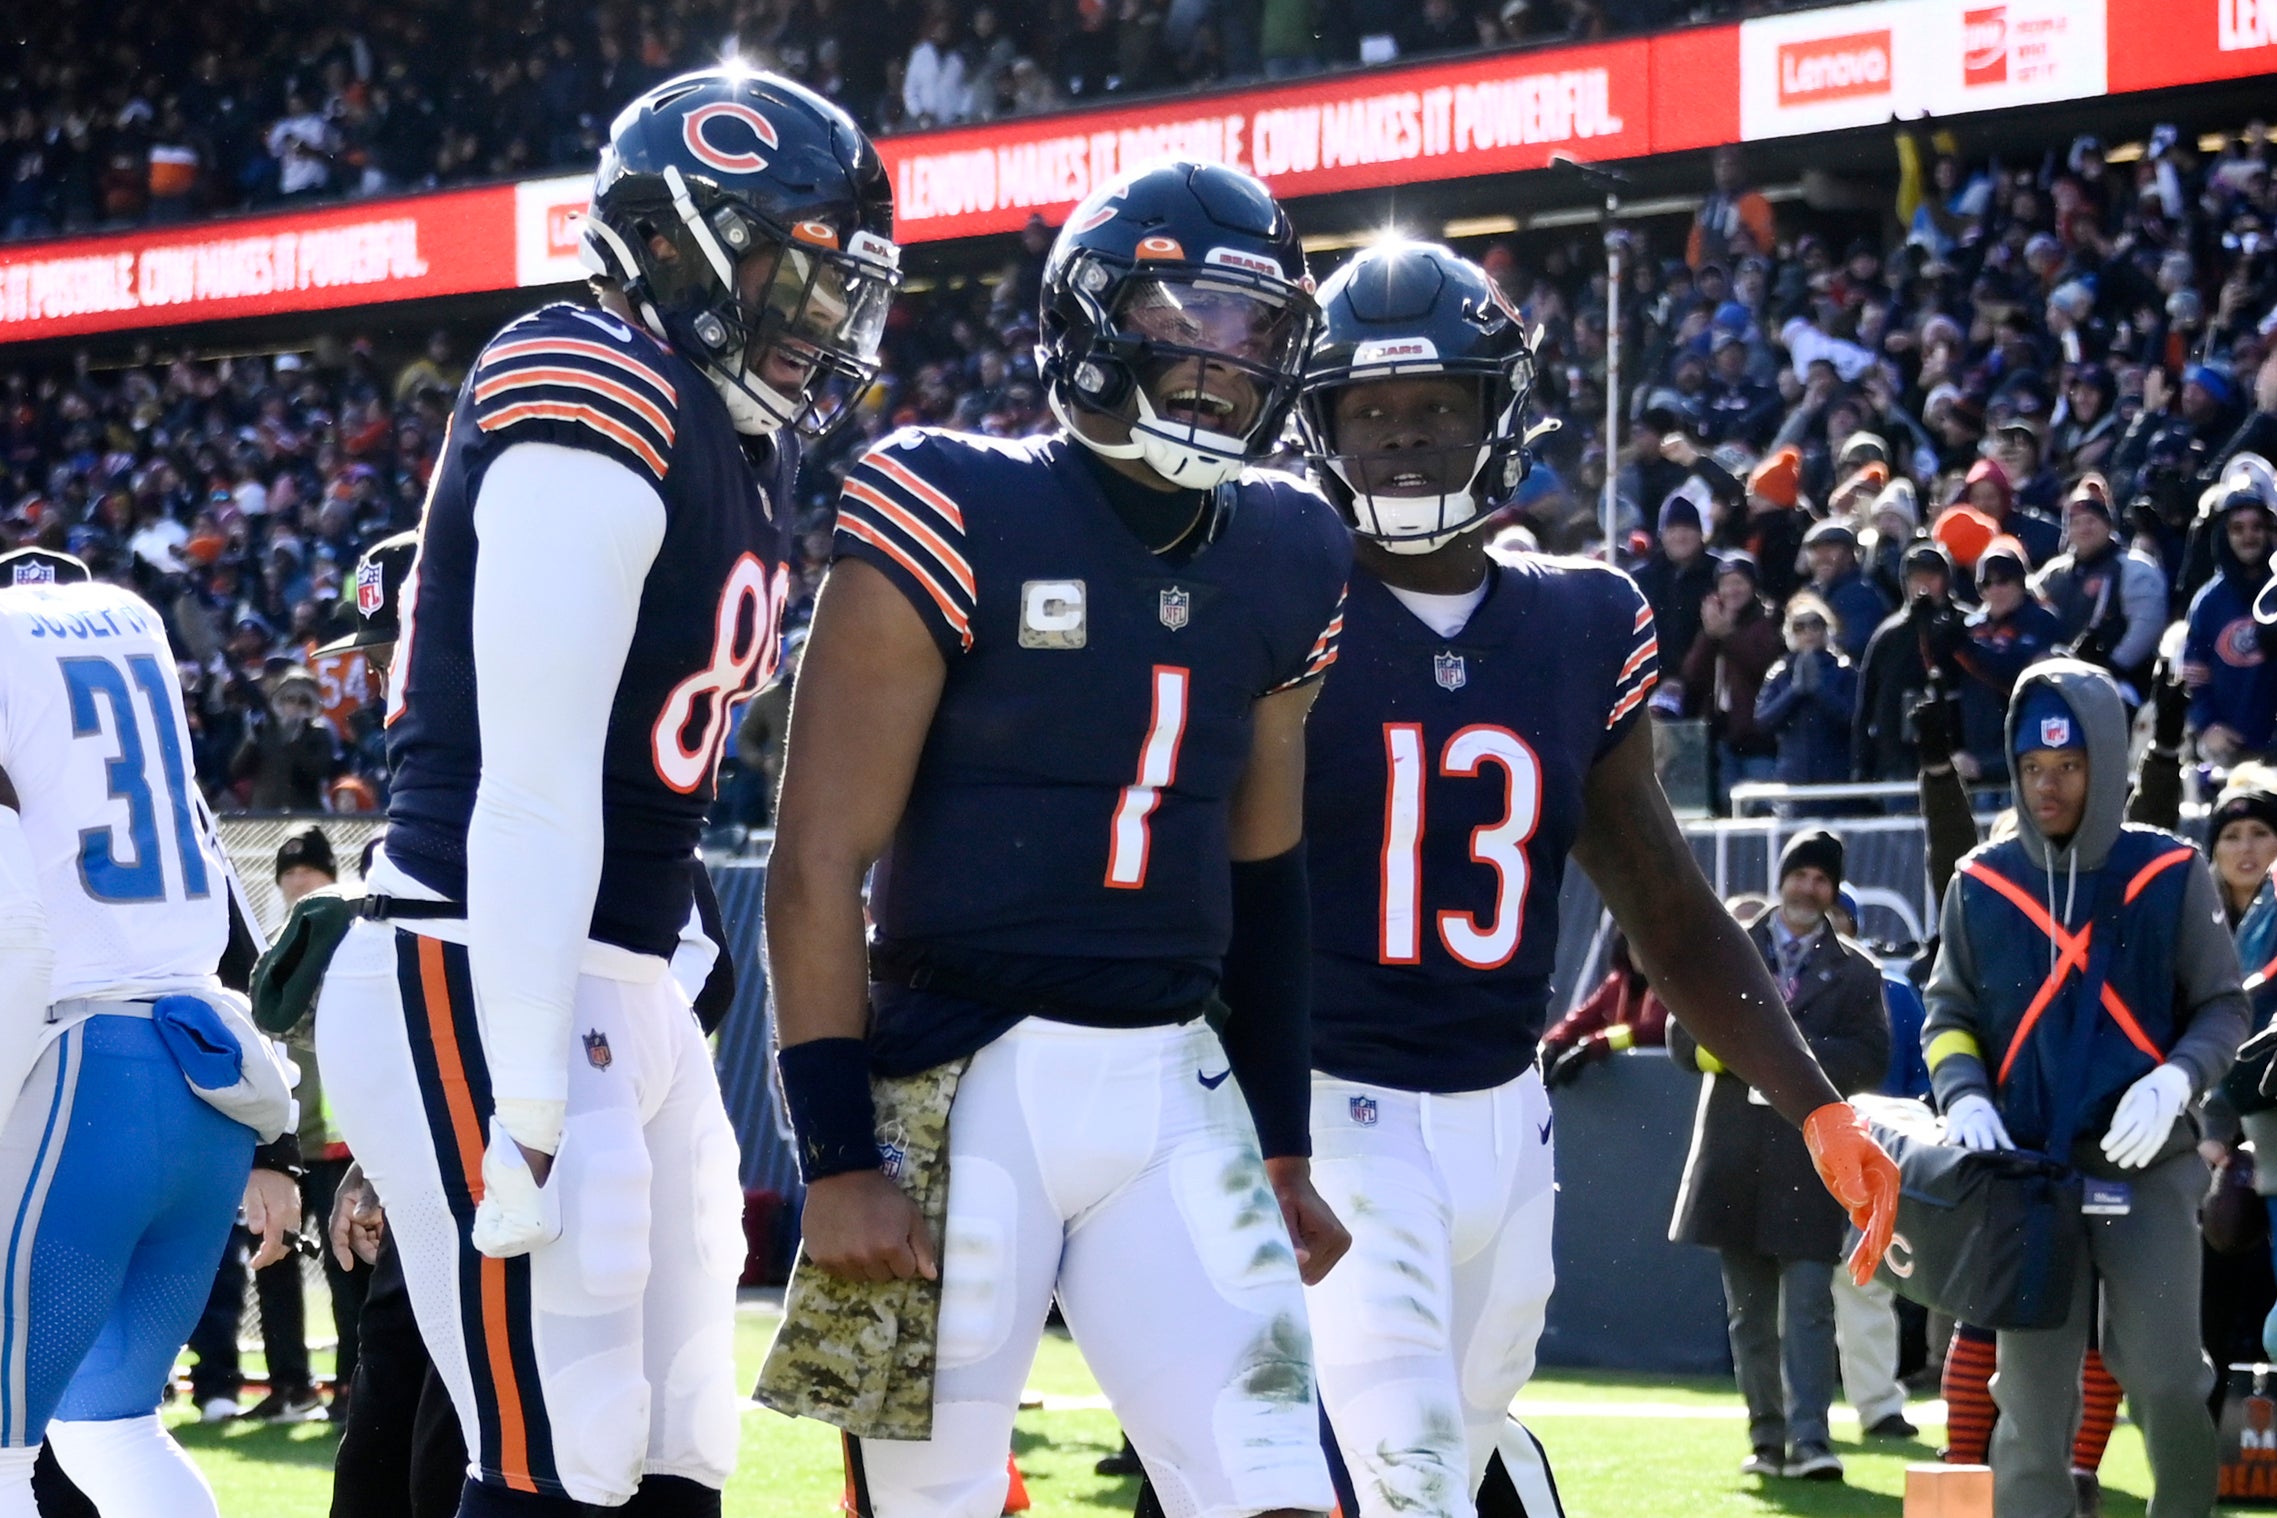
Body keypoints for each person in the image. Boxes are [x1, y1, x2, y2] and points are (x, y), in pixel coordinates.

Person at [315, 66, 899, 1516]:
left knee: (677, 1450)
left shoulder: (736, 439)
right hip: (483, 945)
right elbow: (530, 776)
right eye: (794, 267)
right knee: (559, 1449)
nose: (825, 314)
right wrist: (522, 1086)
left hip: (620, 971)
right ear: (683, 243)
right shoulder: (589, 376)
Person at [764, 159, 1351, 1518]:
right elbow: (814, 861)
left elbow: (1268, 875)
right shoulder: (950, 496)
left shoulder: (1292, 546)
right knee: (936, 1502)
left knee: (1277, 1486)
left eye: (1254, 326)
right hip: (961, 1084)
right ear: (1094, 310)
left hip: (1172, 1087)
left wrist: (1283, 1140)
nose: (1223, 357)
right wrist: (840, 1155)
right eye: (1188, 311)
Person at [1279, 240, 1898, 1518]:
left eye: (1439, 407)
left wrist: (1816, 1105)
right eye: (1372, 411)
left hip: (1508, 1122)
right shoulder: (1281, 598)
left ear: (1499, 418)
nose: (1403, 439)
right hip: (1337, 1105)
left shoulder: (1584, 619)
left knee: (1468, 1438)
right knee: (1400, 1468)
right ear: (1320, 424)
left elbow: (1666, 905)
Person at [0, 560, 299, 1517]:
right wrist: (279, 1145)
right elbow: (236, 932)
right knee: (112, 1433)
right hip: (204, 1073)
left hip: (82, 1079)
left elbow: (19, 937)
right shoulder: (131, 667)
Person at [1923, 661, 2248, 1518]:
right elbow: (1946, 1010)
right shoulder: (1979, 884)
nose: (2047, 785)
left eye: (2067, 766)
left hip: (2145, 1164)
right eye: (2032, 767)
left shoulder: (2168, 872)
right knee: (2028, 1409)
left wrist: (2179, 1079)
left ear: (2103, 762)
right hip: (2028, 1175)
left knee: (2167, 1380)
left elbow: (2222, 1005)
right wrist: (1963, 1094)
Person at [1668, 830, 1892, 1484]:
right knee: (1747, 1315)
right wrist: (1763, 1056)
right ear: (1782, 878)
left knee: (1809, 1307)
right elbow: (1685, 1041)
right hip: (1732, 1155)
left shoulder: (1857, 970)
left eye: (1821, 879)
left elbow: (1870, 1059)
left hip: (1810, 1160)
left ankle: (1811, 1441)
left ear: (1833, 892)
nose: (1807, 888)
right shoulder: (1727, 949)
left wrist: (1786, 1059)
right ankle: (1765, 1441)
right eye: (1799, 874)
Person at [2031, 475, 2166, 699]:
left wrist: (2111, 667)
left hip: (2122, 683)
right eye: (2076, 522)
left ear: (2108, 525)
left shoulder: (2134, 568)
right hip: (2060, 682)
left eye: (2091, 520)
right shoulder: (2054, 574)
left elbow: (2147, 623)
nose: (2084, 528)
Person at [2182, 481, 2277, 765]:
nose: (2248, 536)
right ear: (2224, 535)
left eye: (2256, 527)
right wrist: (2207, 724)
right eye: (2238, 528)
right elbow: (2192, 678)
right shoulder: (2208, 602)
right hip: (2230, 753)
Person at [1852, 542, 1962, 784]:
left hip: (1956, 758)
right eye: (1916, 578)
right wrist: (1861, 763)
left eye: (1931, 577)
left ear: (1946, 580)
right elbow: (1865, 705)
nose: (1923, 585)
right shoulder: (1888, 635)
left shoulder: (1964, 626)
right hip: (1897, 760)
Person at [1953, 537, 2061, 783]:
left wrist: (1965, 647)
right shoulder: (1969, 627)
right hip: (1975, 751)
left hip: (2026, 745)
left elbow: (2014, 670)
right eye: (1986, 584)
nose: (1995, 590)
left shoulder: (2042, 620)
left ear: (2020, 583)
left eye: (2003, 580)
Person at [1681, 553, 1784, 809]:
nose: (1731, 590)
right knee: (1729, 810)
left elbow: (1764, 665)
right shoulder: (1716, 625)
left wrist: (1727, 635)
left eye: (1738, 582)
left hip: (1758, 742)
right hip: (1723, 738)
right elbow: (1693, 675)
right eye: (1725, 584)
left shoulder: (1768, 619)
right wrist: (1709, 634)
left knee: (1761, 809)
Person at [1755, 594, 1857, 795]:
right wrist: (1794, 692)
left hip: (1836, 776)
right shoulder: (1780, 673)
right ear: (1789, 633)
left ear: (1826, 629)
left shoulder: (1844, 670)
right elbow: (1763, 721)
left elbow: (1853, 718)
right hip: (1793, 778)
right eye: (1799, 627)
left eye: (1815, 625)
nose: (1808, 632)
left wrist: (1819, 691)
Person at [1799, 521, 1890, 662]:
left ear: (1849, 555)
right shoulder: (1809, 595)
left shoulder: (1862, 594)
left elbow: (1856, 646)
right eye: (1816, 551)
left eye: (1831, 549)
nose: (1822, 557)